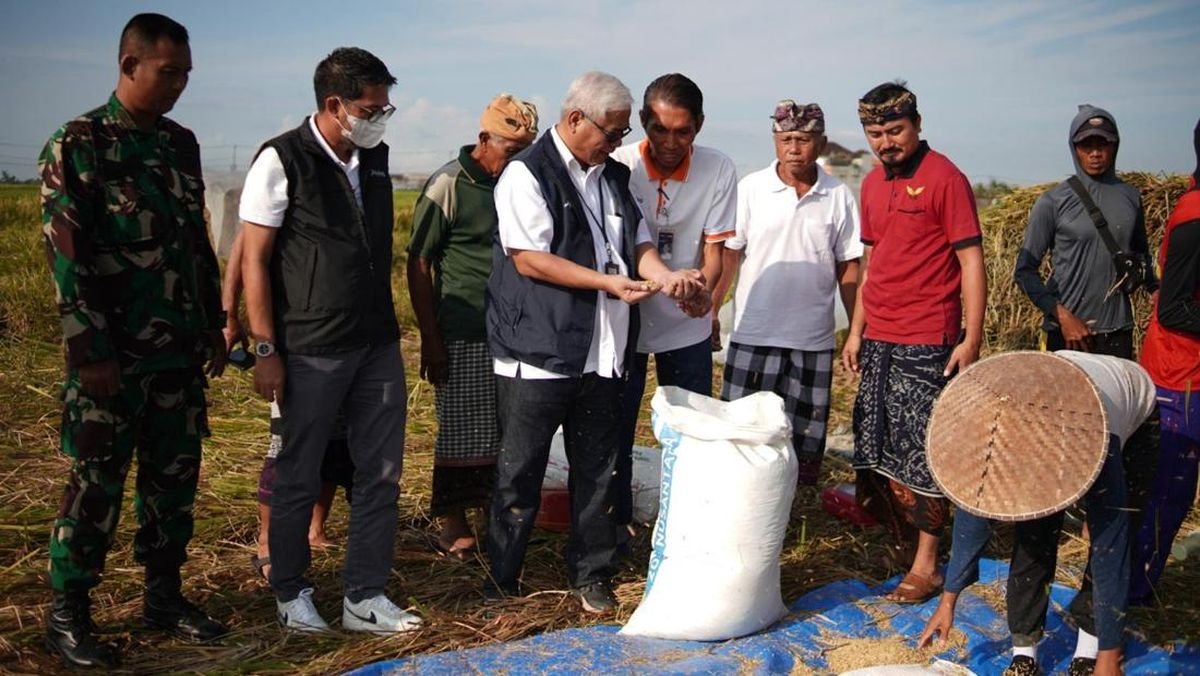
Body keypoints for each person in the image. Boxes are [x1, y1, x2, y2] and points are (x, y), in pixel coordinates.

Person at [39, 13, 228, 667]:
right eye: (166, 72)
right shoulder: (80, 143)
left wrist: (212, 322)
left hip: (176, 355)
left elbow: (195, 244)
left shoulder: (181, 145)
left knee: (172, 485)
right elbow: (69, 259)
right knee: (96, 486)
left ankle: (164, 597)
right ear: (128, 65)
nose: (177, 86)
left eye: (185, 75)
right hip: (111, 362)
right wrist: (88, 352)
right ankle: (68, 615)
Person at [485, 71, 708, 613]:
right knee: (520, 472)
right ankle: (501, 582)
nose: (617, 142)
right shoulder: (526, 173)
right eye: (611, 131)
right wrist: (607, 282)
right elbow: (529, 257)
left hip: (606, 351)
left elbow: (638, 242)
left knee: (601, 470)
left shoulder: (611, 175)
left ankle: (592, 574)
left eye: (620, 132)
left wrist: (665, 275)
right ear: (576, 118)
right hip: (540, 353)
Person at [239, 47, 419, 634]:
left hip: (375, 342)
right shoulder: (282, 159)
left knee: (382, 471)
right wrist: (266, 349)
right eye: (372, 108)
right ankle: (291, 591)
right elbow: (255, 262)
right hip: (311, 348)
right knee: (299, 470)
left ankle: (364, 595)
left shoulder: (374, 157)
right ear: (334, 105)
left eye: (385, 107)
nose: (380, 118)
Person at [918, 351, 1156, 676]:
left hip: (1128, 407)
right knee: (1034, 534)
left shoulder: (1100, 437)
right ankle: (1024, 652)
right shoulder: (997, 427)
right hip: (1048, 408)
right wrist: (948, 601)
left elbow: (1111, 548)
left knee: (1107, 530)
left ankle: (1089, 649)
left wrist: (1109, 656)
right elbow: (973, 516)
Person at [842, 81, 987, 603]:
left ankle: (927, 565)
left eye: (895, 130)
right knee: (875, 447)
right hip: (878, 336)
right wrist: (855, 330)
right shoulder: (873, 184)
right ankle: (902, 545)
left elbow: (972, 261)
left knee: (923, 453)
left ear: (918, 125)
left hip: (928, 339)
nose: (886, 142)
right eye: (875, 133)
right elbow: (873, 261)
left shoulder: (946, 179)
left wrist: (971, 338)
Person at [407, 93, 538, 559]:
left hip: (514, 329)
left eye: (524, 151)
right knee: (463, 427)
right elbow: (419, 263)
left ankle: (492, 514)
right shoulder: (449, 183)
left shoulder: (519, 183)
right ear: (484, 139)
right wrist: (431, 339)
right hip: (462, 324)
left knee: (506, 430)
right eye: (508, 150)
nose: (515, 159)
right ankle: (453, 522)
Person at [713, 100, 861, 486]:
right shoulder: (751, 190)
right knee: (743, 432)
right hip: (753, 333)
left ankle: (796, 505)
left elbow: (849, 265)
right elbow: (730, 256)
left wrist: (857, 330)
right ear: (775, 140)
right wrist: (712, 310)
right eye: (786, 138)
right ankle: (742, 498)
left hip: (811, 339)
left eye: (804, 139)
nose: (794, 148)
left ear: (822, 143)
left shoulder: (838, 196)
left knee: (804, 438)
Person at [611, 73, 736, 526]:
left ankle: (686, 523)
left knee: (691, 429)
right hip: (625, 319)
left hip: (687, 320)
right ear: (643, 121)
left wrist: (701, 293)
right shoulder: (619, 163)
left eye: (682, 131)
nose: (669, 141)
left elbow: (715, 253)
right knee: (617, 429)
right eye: (659, 129)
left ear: (699, 126)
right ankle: (617, 522)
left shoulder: (718, 168)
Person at [219, 228, 355, 581]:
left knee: (338, 440)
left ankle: (315, 528)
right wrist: (230, 315)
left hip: (346, 336)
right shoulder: (280, 178)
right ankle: (267, 540)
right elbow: (244, 250)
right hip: (295, 340)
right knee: (286, 444)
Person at [1013, 104, 1153, 359]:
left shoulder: (1131, 197)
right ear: (1074, 148)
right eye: (1086, 145)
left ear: (1116, 145)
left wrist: (1157, 291)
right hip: (1068, 335)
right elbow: (1024, 271)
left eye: (1104, 144)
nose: (1096, 153)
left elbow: (1143, 257)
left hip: (1117, 334)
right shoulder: (1053, 201)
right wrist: (1062, 316)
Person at [1128, 116, 1200, 605]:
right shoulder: (1195, 215)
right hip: (1181, 376)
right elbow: (1174, 307)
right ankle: (1129, 591)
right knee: (1169, 491)